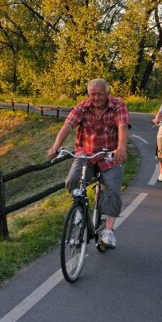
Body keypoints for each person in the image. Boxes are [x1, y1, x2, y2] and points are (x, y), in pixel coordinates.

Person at [47, 78, 129, 250]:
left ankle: (108, 230)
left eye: (100, 94)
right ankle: (78, 211)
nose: (96, 98)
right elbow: (68, 125)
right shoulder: (82, 107)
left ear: (107, 93)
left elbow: (122, 126)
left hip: (109, 155)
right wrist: (56, 146)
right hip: (86, 154)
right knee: (73, 180)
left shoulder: (117, 105)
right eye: (93, 94)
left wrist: (121, 148)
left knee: (112, 189)